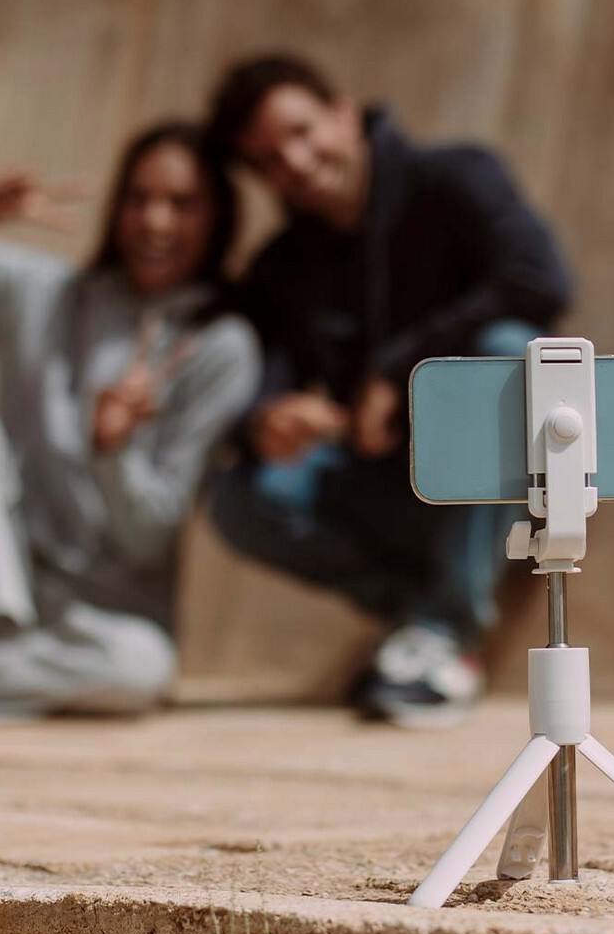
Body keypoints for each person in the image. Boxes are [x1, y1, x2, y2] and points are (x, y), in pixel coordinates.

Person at [206, 54, 572, 729]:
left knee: (510, 350)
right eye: (268, 160)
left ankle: (451, 628)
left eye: (301, 132)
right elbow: (265, 374)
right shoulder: (282, 263)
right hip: (385, 485)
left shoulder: (456, 178)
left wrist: (399, 369)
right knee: (241, 499)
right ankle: (422, 620)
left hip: (502, 488)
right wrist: (270, 418)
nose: (295, 162)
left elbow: (541, 280)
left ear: (343, 114)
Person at [0, 121, 261, 726]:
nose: (155, 222)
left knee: (142, 669)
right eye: (139, 199)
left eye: (181, 204)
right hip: (1, 581)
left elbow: (150, 538)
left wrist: (113, 452)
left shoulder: (222, 348)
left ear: (219, 219)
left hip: (99, 621)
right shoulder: (41, 294)